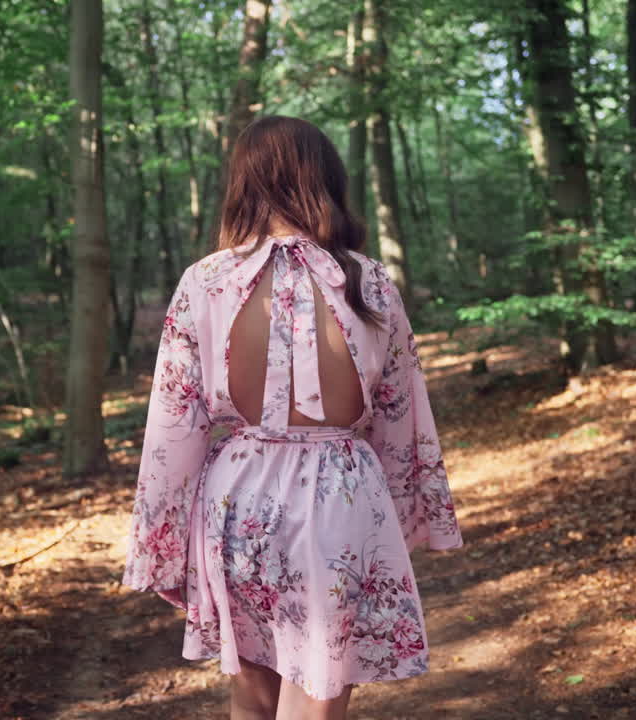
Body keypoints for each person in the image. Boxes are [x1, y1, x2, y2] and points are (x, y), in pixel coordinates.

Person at [122, 115, 463, 720]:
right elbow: (401, 416)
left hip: (236, 500)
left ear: (243, 183)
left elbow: (172, 429)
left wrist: (161, 545)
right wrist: (405, 519)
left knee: (252, 698)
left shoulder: (204, 282)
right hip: (338, 500)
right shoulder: (368, 281)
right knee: (315, 702)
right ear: (325, 179)